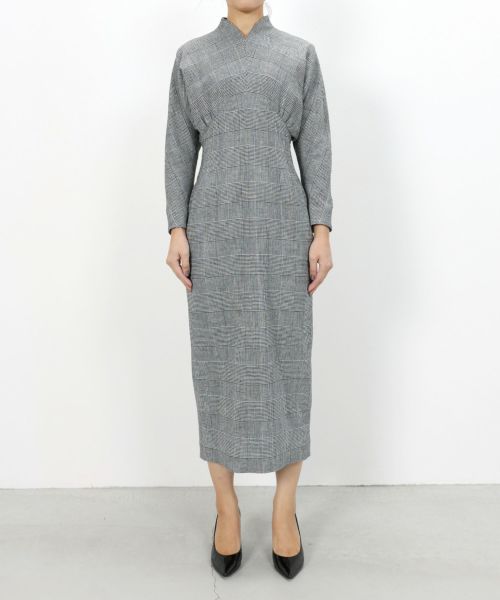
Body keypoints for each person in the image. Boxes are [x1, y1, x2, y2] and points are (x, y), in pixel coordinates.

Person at [164, 0, 334, 579]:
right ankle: (227, 507)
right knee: (216, 364)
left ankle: (285, 510)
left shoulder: (298, 56)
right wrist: (177, 227)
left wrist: (321, 229)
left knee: (289, 362)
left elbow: (316, 146)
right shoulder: (191, 59)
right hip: (213, 232)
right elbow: (178, 148)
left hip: (283, 231)